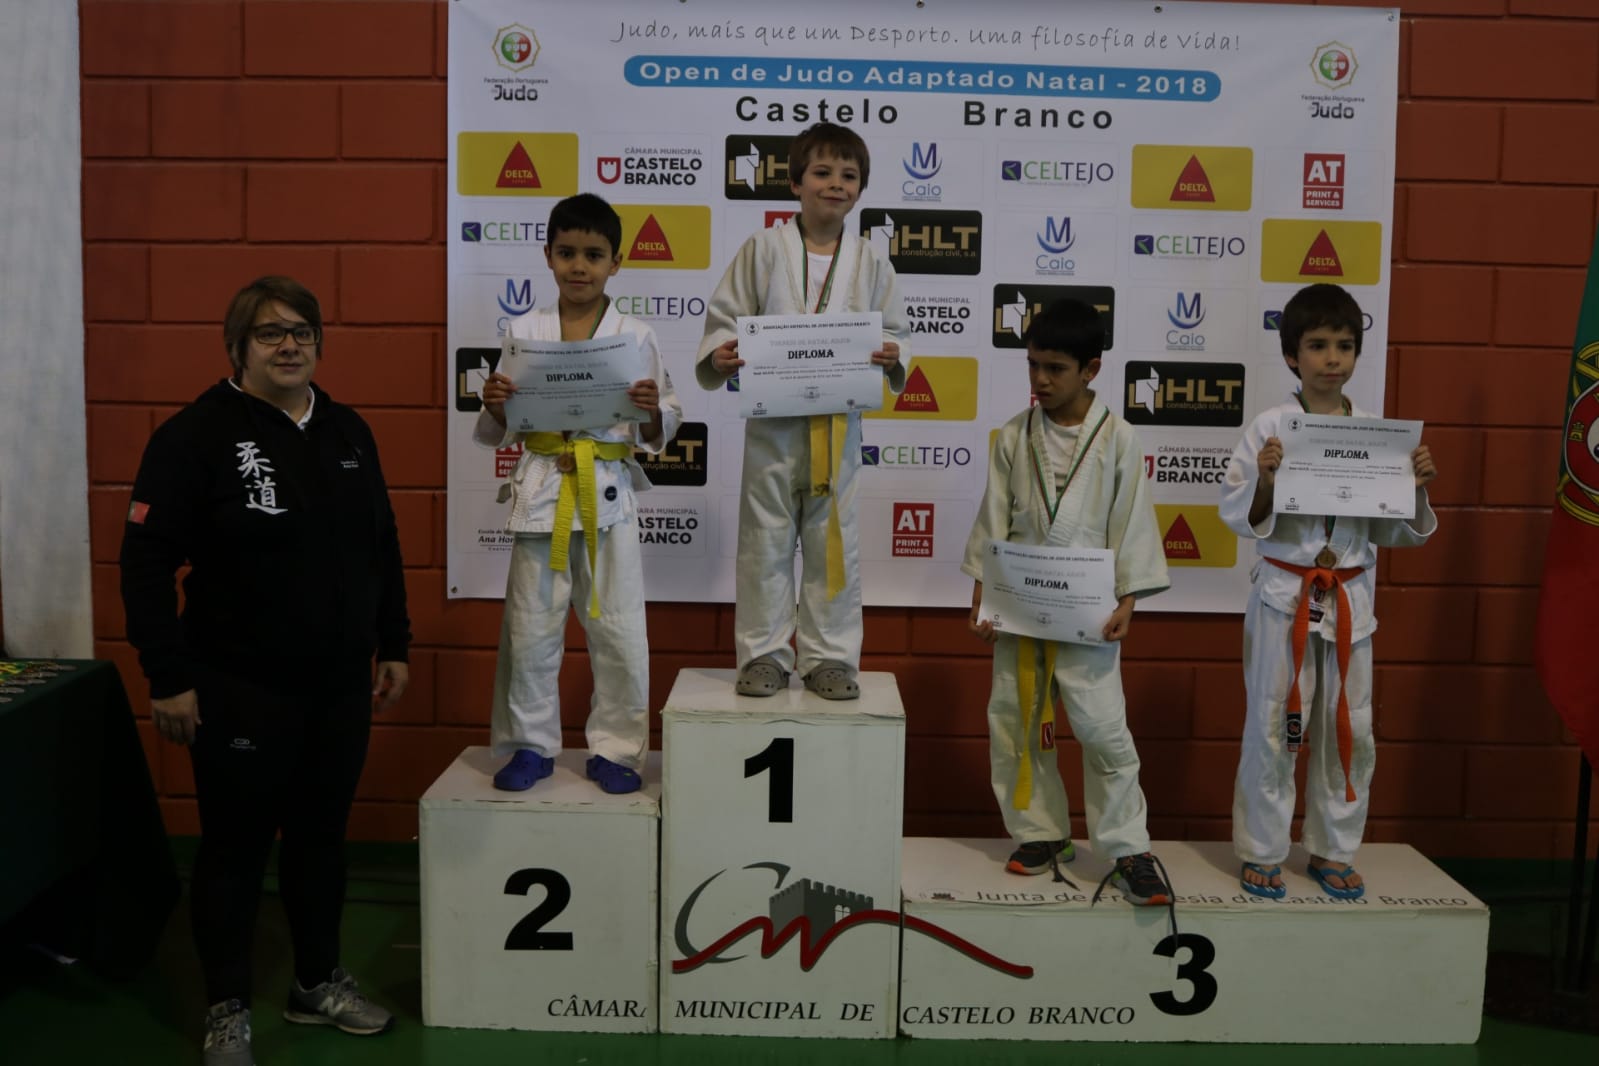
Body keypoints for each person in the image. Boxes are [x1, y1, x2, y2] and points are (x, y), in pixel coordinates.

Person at [120, 276, 410, 1066]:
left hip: (338, 687)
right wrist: (167, 674)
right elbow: (145, 563)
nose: (289, 346)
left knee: (320, 840)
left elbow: (379, 544)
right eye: (269, 333)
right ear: (237, 348)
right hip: (237, 685)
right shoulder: (195, 435)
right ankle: (227, 1008)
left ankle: (316, 982)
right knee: (235, 849)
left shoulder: (348, 430)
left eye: (303, 332)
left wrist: (395, 644)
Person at [1220, 282, 1438, 901]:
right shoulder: (1269, 427)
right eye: (1317, 346)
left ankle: (1333, 848)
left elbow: (1399, 531)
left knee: (1352, 725)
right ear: (1292, 355)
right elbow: (1238, 512)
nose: (1332, 358)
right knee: (1271, 724)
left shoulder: (1378, 435)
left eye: (1344, 345)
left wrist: (1417, 486)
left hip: (1349, 599)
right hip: (1282, 595)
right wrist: (1264, 479)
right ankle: (1263, 849)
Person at [962, 298, 1173, 905]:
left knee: (1104, 730)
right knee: (1014, 722)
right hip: (1021, 608)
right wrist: (980, 594)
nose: (1041, 381)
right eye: (1033, 367)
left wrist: (1129, 597)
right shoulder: (1012, 435)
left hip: (1090, 611)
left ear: (1092, 368)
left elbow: (1132, 522)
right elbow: (993, 521)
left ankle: (1128, 846)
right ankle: (1042, 834)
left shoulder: (1119, 439)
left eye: (1055, 368)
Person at [475, 192, 681, 794]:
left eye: (594, 254)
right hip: (541, 488)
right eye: (567, 253)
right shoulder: (524, 330)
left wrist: (648, 413)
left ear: (616, 262)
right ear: (548, 256)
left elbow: (660, 423)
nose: (579, 266)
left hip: (608, 493)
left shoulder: (634, 333)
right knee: (530, 627)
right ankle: (528, 746)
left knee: (617, 626)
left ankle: (618, 751)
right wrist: (494, 404)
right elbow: (498, 425)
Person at [697, 121, 909, 700]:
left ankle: (830, 658)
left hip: (838, 429)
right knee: (764, 542)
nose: (835, 185)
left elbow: (896, 332)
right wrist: (720, 354)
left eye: (849, 175)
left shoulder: (870, 260)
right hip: (773, 428)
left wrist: (894, 353)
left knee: (833, 544)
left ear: (861, 189)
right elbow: (724, 320)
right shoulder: (762, 249)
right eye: (822, 172)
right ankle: (763, 653)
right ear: (794, 183)